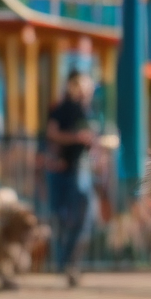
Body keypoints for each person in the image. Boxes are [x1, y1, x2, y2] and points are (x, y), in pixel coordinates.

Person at [46, 70, 96, 287]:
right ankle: (66, 262)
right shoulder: (64, 108)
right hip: (70, 171)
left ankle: (69, 263)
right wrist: (77, 138)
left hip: (81, 169)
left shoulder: (86, 110)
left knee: (83, 218)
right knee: (73, 218)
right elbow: (52, 133)